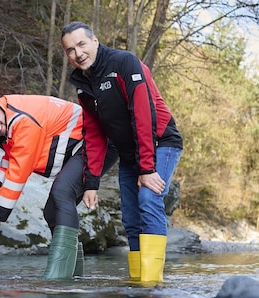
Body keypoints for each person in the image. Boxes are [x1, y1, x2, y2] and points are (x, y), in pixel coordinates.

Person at [61, 22, 183, 282]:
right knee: (129, 216)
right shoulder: (83, 85)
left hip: (160, 142)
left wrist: (147, 168)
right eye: (70, 50)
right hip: (130, 154)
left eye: (81, 44)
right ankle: (138, 282)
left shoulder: (124, 63)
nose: (78, 53)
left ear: (95, 41)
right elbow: (93, 133)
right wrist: (91, 182)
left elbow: (143, 115)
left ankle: (151, 284)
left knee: (149, 200)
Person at [0, 95, 117, 279]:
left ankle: (59, 278)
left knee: (62, 192)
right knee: (51, 212)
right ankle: (73, 276)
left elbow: (18, 174)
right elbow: (10, 162)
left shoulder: (22, 121)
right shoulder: (8, 121)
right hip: (82, 146)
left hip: (97, 142)